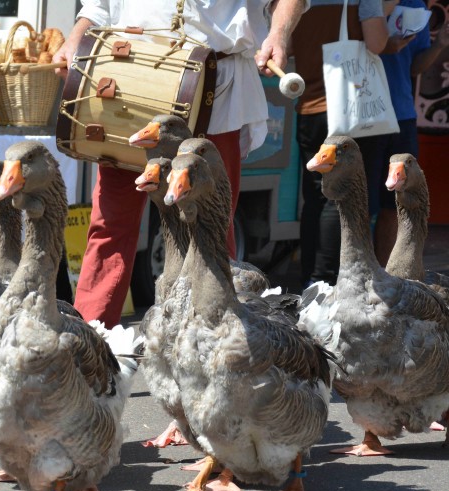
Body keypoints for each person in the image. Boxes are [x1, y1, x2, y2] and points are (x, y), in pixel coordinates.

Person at [52, 0, 307, 326]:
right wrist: (75, 39)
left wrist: (278, 35)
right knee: (110, 225)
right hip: (131, 88)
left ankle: (215, 340)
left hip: (216, 93)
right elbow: (101, 6)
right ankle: (92, 347)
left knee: (212, 228)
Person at [291, 0, 392, 286]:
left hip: (309, 107)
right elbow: (376, 43)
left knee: (314, 197)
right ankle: (327, 281)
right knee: (340, 198)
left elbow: (285, 47)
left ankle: (310, 280)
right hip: (349, 112)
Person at [368, 0, 449, 265]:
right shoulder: (363, 3)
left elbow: (415, 66)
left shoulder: (415, 5)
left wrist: (440, 45)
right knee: (360, 203)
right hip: (363, 115)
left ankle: (383, 274)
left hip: (402, 115)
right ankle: (353, 274)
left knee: (395, 201)